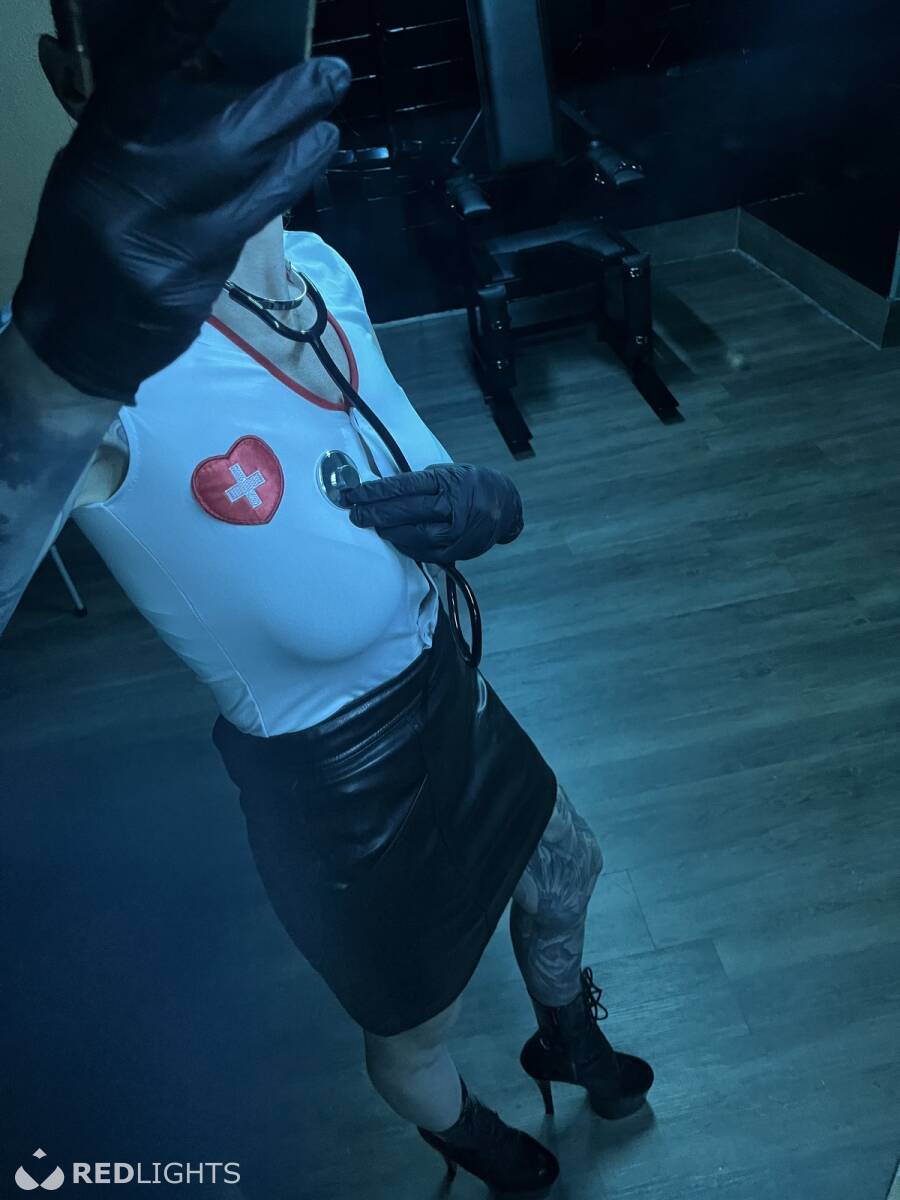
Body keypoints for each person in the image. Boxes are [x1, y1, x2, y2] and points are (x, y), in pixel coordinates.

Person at [4, 2, 655, 1193]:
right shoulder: (87, 367)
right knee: (412, 1034)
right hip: (336, 788)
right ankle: (468, 1138)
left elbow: (398, 447)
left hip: (445, 680)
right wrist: (51, 372)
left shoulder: (319, 271)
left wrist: (482, 502)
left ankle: (565, 1037)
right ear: (72, 73)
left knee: (569, 861)